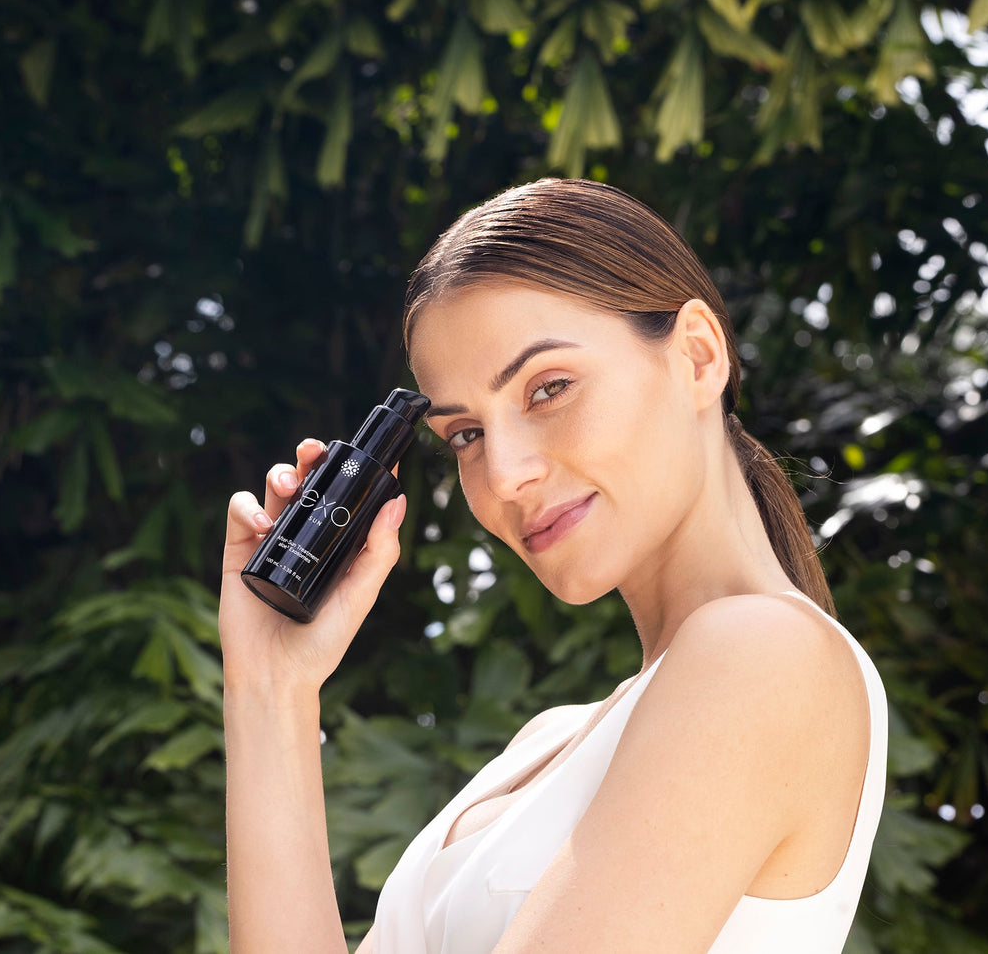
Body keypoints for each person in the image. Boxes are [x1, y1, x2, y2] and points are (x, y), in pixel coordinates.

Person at [219, 178, 888, 953]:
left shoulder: (763, 654)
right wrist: (271, 687)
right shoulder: (547, 743)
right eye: (465, 434)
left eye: (549, 388)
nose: (504, 473)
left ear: (699, 357)